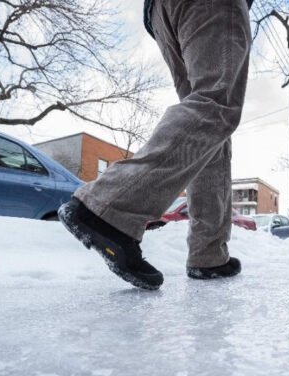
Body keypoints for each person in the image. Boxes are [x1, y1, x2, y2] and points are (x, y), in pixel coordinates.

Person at [58, 0, 253, 290]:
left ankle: (208, 253)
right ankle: (108, 208)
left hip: (161, 14)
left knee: (209, 124)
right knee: (215, 104)